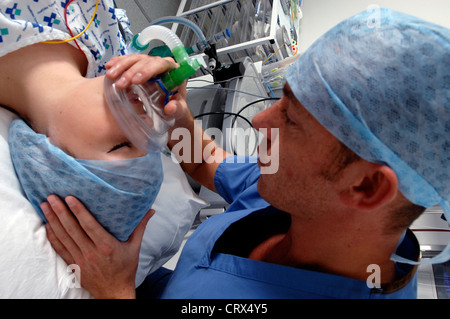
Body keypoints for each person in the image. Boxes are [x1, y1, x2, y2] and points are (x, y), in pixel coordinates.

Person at [43, 8, 450, 299]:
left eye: (290, 118)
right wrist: (175, 112)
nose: (259, 122)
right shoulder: (298, 189)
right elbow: (207, 163)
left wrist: (114, 291)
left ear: (366, 186)